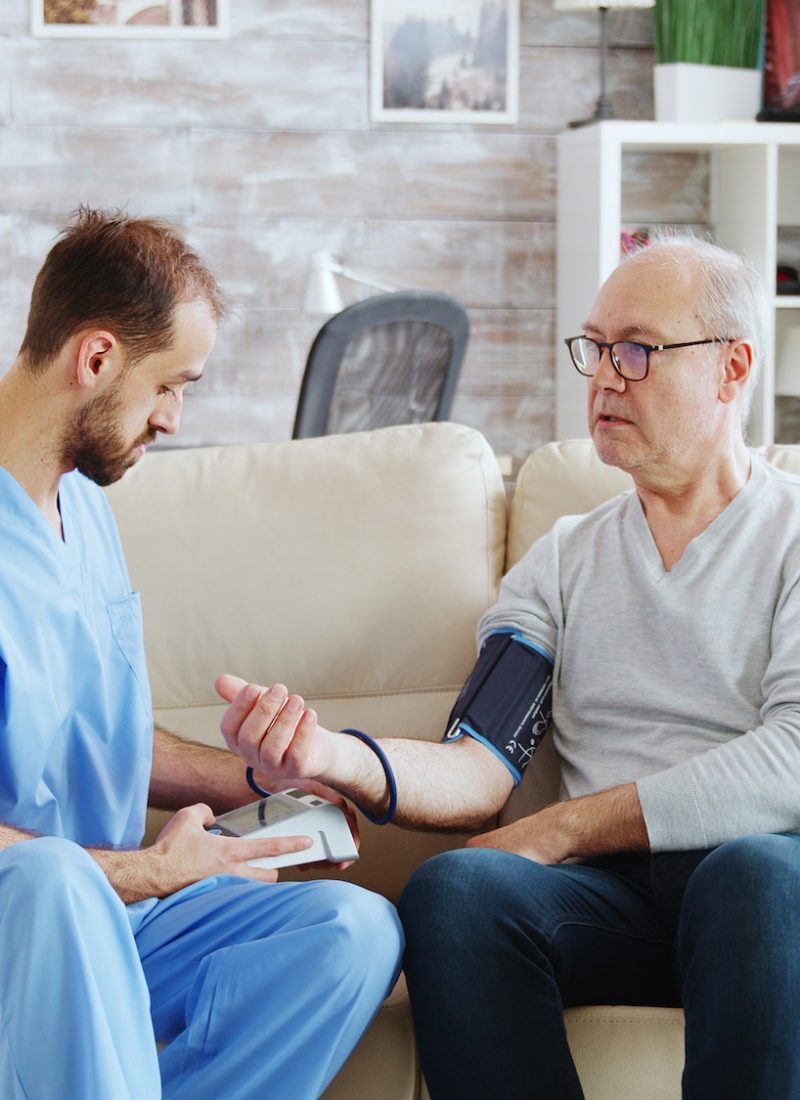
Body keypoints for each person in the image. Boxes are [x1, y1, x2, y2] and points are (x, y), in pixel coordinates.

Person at [215, 234, 800, 1098]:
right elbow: (480, 764)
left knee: (753, 877)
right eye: (594, 347)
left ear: (731, 367)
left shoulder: (790, 535)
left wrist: (561, 829)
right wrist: (330, 756)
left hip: (764, 889)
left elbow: (790, 762)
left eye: (636, 349)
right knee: (455, 892)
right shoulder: (565, 562)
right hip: (614, 906)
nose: (603, 377)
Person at [0, 207, 403, 1100]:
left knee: (352, 931)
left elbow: (99, 738)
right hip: (28, 925)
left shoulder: (84, 507)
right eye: (171, 385)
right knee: (53, 880)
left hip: (111, 913)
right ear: (96, 359)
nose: (176, 418)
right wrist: (149, 871)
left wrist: (265, 787)